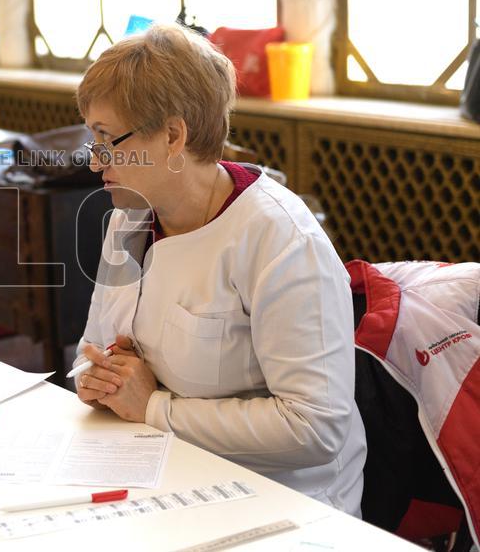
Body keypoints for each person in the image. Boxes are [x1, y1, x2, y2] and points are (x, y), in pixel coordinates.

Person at [72, 25, 366, 515]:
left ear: (172, 135)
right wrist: (95, 377)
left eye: (106, 139)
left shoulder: (280, 239)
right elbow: (92, 349)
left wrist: (153, 407)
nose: (94, 160)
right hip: (164, 471)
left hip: (280, 500)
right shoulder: (129, 218)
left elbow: (317, 427)